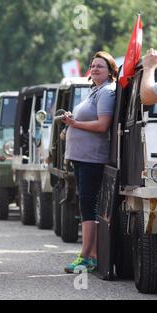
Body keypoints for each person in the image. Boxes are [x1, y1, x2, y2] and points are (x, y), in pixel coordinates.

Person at [62, 51, 118, 274]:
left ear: (111, 70)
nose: (95, 69)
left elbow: (102, 125)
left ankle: (85, 256)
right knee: (86, 206)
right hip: (81, 158)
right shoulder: (95, 91)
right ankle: (92, 255)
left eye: (100, 66)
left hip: (92, 159)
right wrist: (71, 122)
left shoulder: (107, 92)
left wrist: (74, 124)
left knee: (88, 206)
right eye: (93, 66)